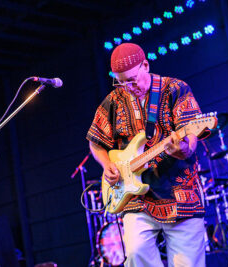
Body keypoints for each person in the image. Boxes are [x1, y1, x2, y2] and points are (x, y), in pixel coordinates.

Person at [86, 43, 206, 266]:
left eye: (132, 80)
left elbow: (191, 136)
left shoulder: (175, 88)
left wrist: (183, 149)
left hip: (179, 193)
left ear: (145, 65)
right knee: (136, 254)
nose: (128, 87)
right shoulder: (113, 101)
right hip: (136, 196)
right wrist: (106, 165)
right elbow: (96, 143)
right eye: (121, 82)